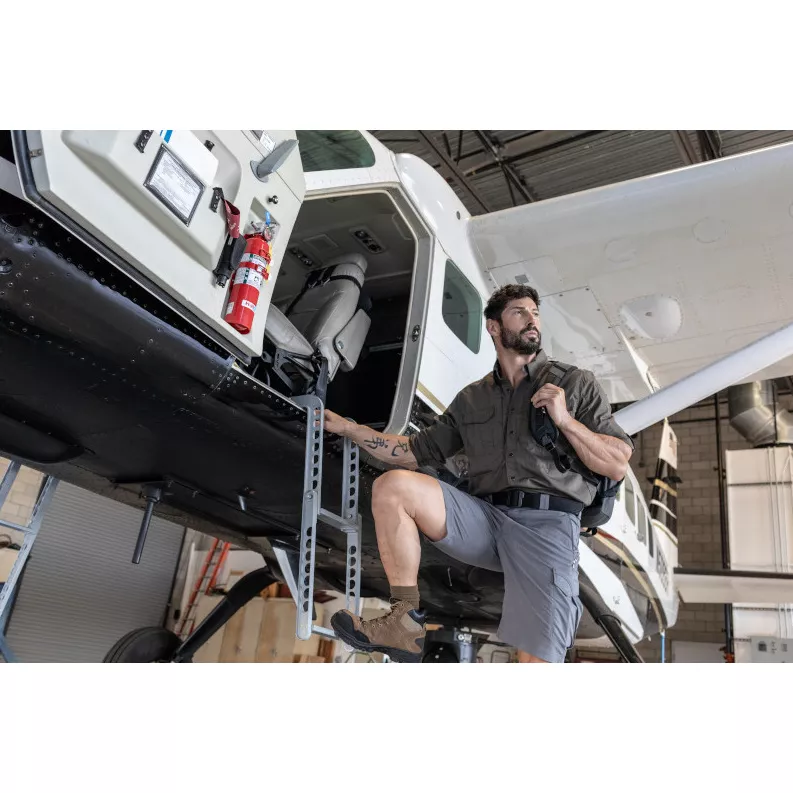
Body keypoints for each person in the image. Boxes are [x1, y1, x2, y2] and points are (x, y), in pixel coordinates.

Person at [326, 284, 633, 663]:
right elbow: (412, 452)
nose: (532, 320)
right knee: (394, 487)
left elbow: (617, 461)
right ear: (494, 326)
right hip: (486, 520)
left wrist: (565, 419)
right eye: (520, 312)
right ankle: (402, 622)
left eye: (535, 313)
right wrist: (349, 429)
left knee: (536, 661)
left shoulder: (574, 382)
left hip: (547, 525)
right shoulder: (472, 398)